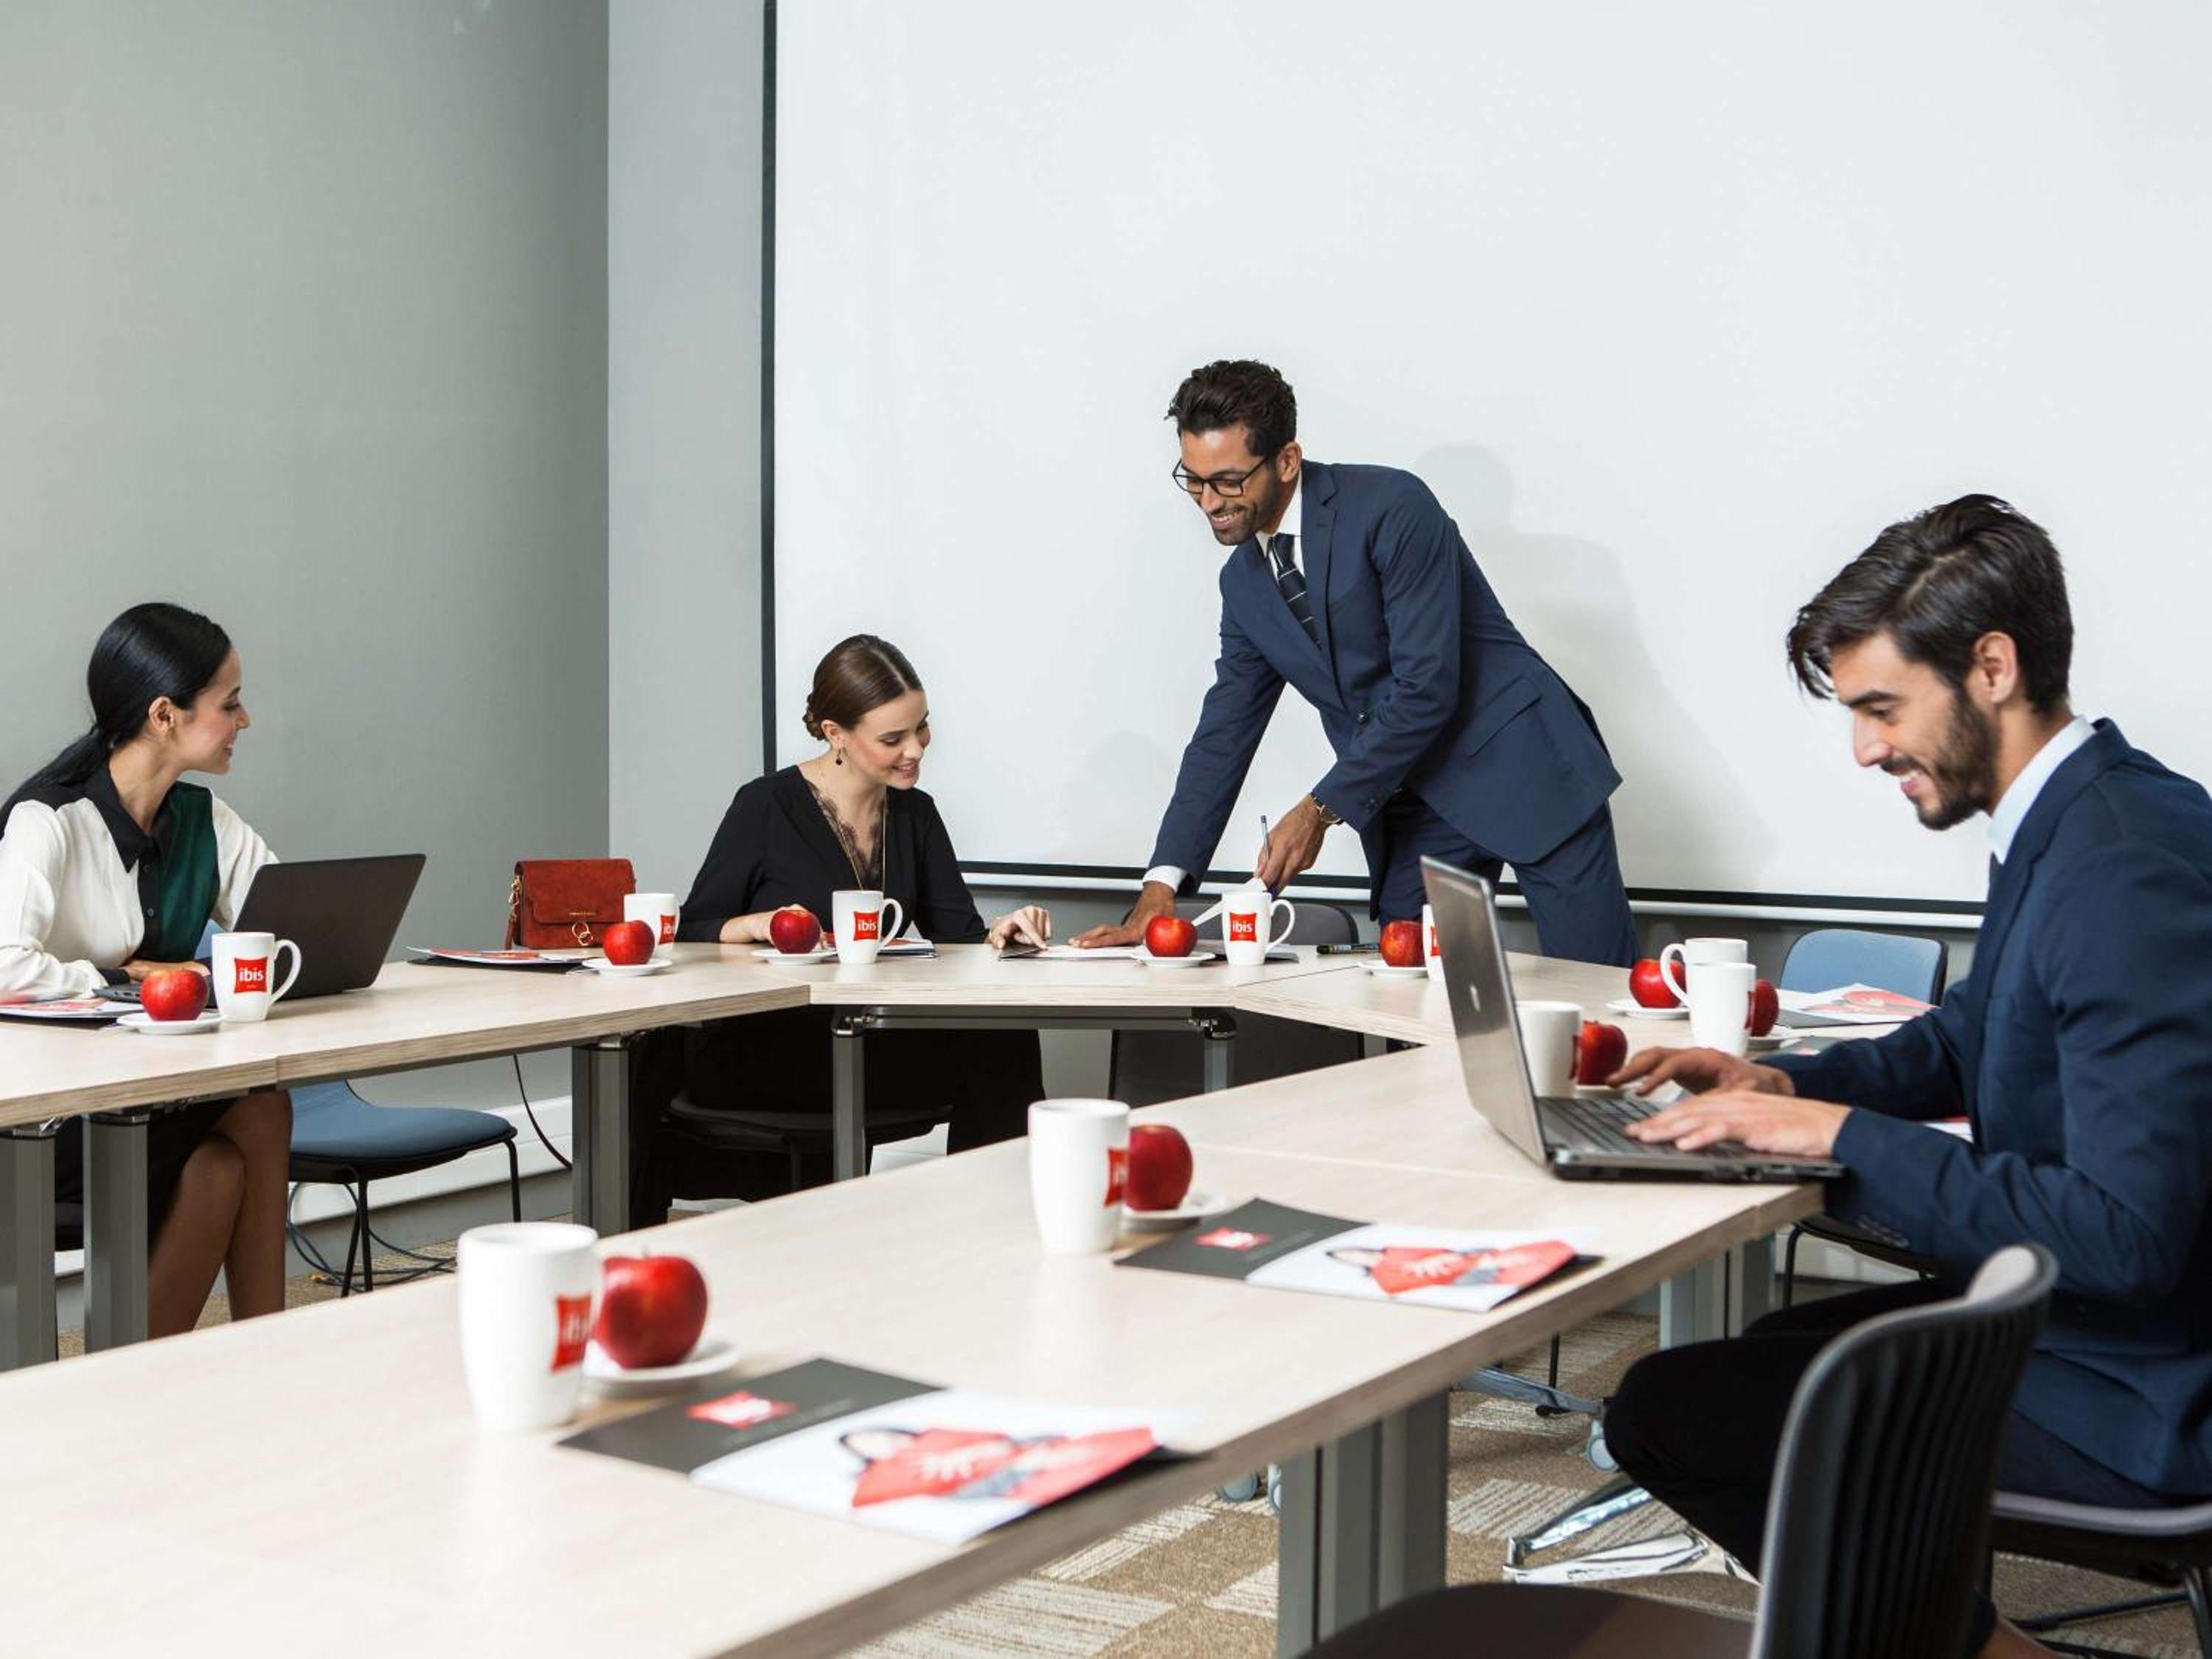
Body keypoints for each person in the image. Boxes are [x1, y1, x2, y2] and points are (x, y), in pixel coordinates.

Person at [1602, 495, 2212, 1658]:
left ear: (1993, 667)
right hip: (2091, 1329)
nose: (1865, 749)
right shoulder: (2078, 818)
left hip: (2144, 1389)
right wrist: (1786, 1092)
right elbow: (1974, 1032)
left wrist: (1842, 1136)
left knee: (1672, 1413)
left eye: (1881, 708)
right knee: (1755, 1362)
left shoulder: (2122, 867)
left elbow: (2127, 1234)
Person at [1073, 359, 1636, 965]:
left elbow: (1426, 687)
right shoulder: (1243, 585)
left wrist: (1318, 811)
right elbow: (1223, 734)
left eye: (1229, 481)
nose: (1209, 502)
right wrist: (1160, 889)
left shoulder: (1393, 507)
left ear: (1287, 460)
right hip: (1412, 804)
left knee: (1597, 989)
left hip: (1523, 768)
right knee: (1409, 1000)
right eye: (1194, 480)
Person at [653, 634, 1050, 1202]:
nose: (915, 750)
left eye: (922, 728)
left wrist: (1002, 932)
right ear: (835, 734)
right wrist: (757, 925)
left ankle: (993, 1211)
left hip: (863, 1040)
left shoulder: (916, 815)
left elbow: (958, 938)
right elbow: (692, 928)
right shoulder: (765, 805)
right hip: (769, 1046)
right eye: (892, 738)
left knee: (1002, 1035)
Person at [0, 602, 292, 1338]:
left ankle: (174, 1373)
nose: (245, 719)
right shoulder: (48, 821)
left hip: (147, 1099)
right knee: (253, 1120)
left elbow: (288, 921)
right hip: (43, 1119)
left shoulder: (205, 821)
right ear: (165, 715)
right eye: (229, 703)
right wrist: (120, 978)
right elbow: (4, 965)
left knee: (224, 1162)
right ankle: (265, 1356)